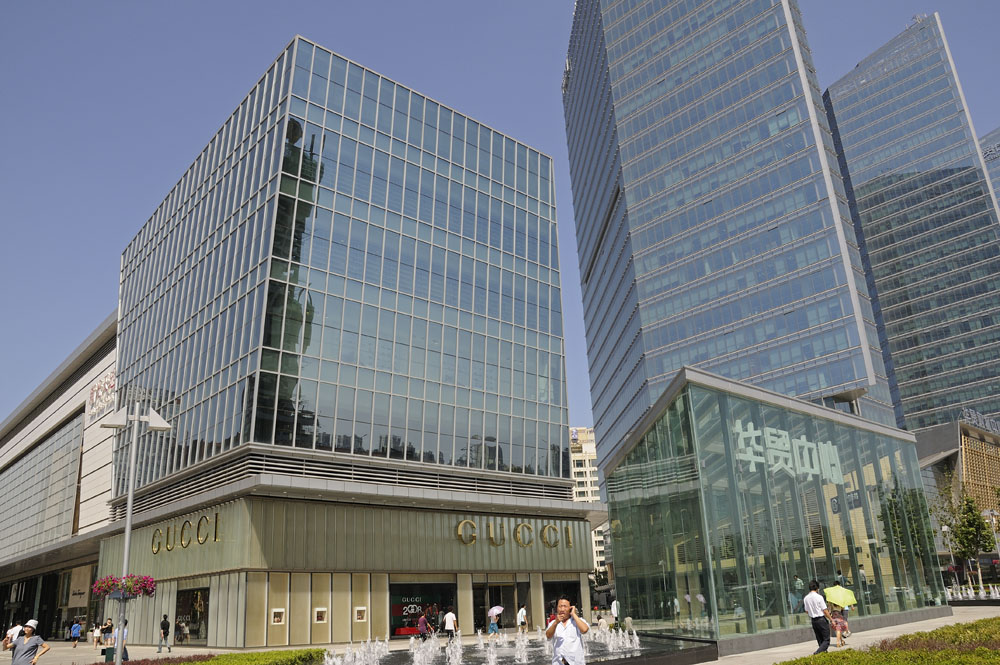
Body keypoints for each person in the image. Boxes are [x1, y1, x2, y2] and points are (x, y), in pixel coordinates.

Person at [546, 597, 589, 665]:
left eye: (565, 606)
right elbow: (548, 636)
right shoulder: (553, 623)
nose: (562, 609)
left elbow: (584, 630)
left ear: (570, 608)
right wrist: (556, 622)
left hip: (575, 662)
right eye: (560, 606)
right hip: (558, 662)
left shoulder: (577, 621)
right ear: (557, 608)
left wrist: (574, 614)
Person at [803, 580, 832, 654]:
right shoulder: (819, 597)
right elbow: (825, 611)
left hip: (813, 620)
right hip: (821, 619)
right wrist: (831, 619)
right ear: (817, 588)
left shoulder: (806, 598)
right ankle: (817, 653)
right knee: (826, 640)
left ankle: (823, 654)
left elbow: (806, 611)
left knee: (820, 639)